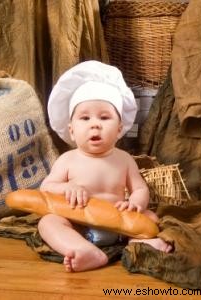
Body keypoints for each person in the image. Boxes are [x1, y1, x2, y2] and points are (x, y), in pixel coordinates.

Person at [38, 60, 172, 272]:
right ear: (72, 130)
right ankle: (83, 249)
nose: (95, 124)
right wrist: (67, 188)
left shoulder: (124, 159)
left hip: (119, 224)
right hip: (79, 224)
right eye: (85, 117)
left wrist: (136, 202)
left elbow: (139, 188)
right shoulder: (67, 159)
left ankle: (139, 243)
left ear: (119, 128)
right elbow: (46, 187)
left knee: (151, 218)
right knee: (48, 222)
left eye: (104, 117)